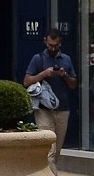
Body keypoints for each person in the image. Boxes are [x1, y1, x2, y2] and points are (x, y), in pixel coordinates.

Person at [23, 29, 75, 159]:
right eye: (50, 45)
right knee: (49, 150)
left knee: (57, 150)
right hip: (43, 109)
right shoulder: (38, 59)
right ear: (45, 41)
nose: (52, 48)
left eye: (55, 46)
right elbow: (26, 81)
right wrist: (43, 74)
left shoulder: (66, 59)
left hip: (63, 109)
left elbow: (73, 84)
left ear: (60, 42)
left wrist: (65, 75)